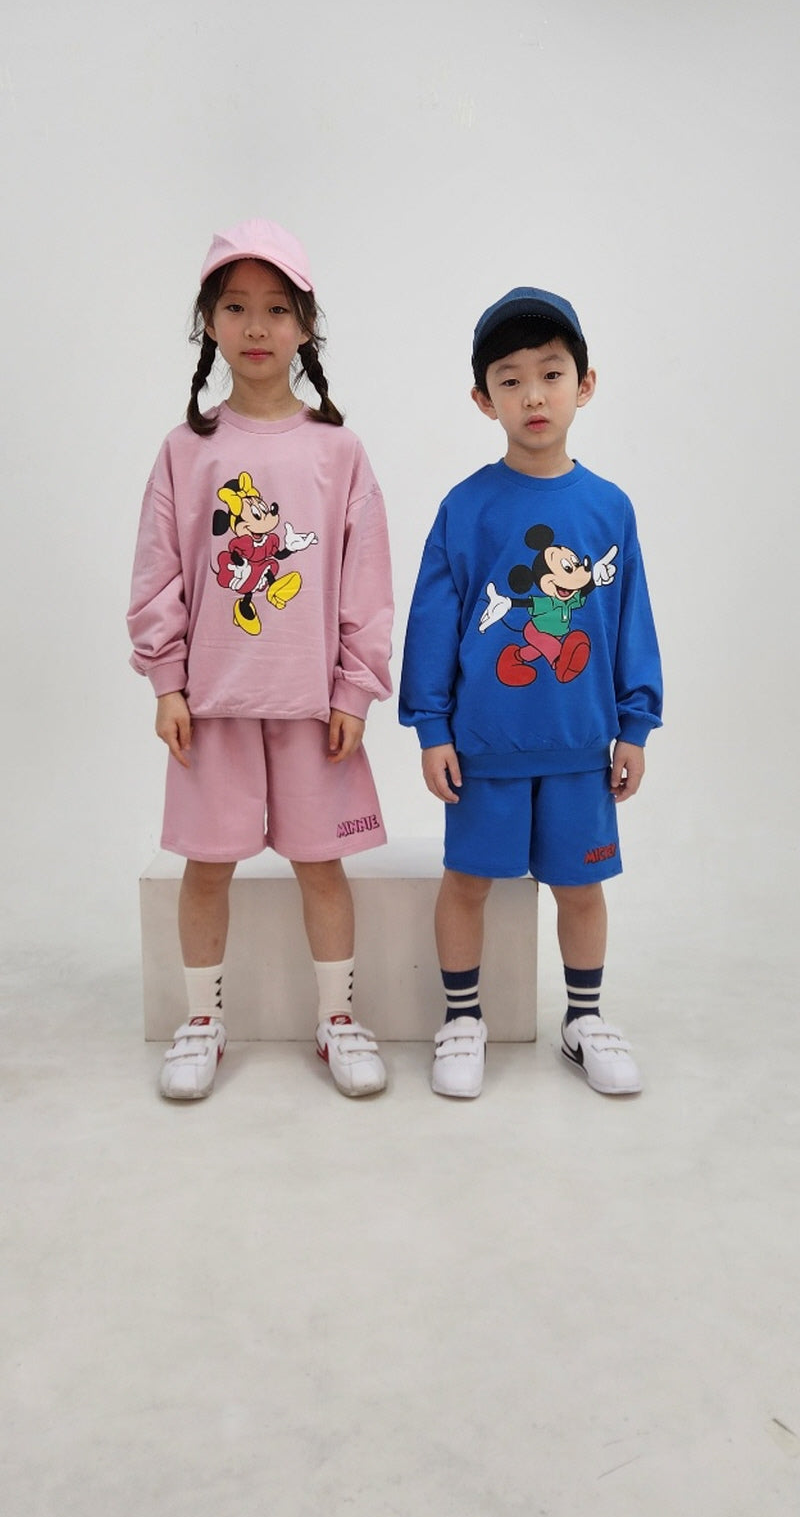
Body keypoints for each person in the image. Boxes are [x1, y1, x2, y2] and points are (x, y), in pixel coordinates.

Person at [128, 217, 393, 1102]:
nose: (256, 326)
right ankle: (201, 1020)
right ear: (209, 321)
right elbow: (158, 571)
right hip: (212, 708)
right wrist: (166, 680)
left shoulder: (338, 452)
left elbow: (366, 582)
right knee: (206, 867)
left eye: (277, 308)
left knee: (323, 866)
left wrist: (356, 688)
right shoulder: (187, 449)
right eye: (236, 306)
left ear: (305, 326)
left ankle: (337, 1018)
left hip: (315, 709)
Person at [399, 285, 662, 1100]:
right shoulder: (466, 507)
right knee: (467, 881)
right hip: (486, 747)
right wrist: (432, 728)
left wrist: (635, 724)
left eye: (551, 374)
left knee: (581, 887)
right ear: (484, 399)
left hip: (582, 747)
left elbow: (631, 619)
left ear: (585, 384)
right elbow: (432, 623)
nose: (534, 395)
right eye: (510, 380)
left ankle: (584, 1019)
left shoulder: (609, 508)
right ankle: (461, 1018)